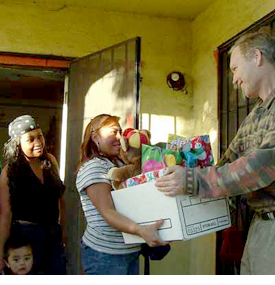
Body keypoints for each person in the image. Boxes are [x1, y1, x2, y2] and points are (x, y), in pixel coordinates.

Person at [156, 26, 275, 275]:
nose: (233, 80)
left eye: (234, 68)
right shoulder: (256, 114)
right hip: (259, 228)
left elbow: (263, 165)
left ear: (257, 57)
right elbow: (225, 164)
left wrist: (191, 180)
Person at [76, 114, 167, 275]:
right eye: (113, 132)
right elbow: (108, 211)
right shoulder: (93, 167)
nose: (120, 137)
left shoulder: (119, 164)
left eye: (120, 132)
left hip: (129, 252)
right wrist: (140, 230)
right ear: (95, 137)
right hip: (105, 256)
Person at [0, 115, 66, 275]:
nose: (38, 143)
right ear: (18, 144)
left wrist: (62, 232)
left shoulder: (50, 161)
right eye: (30, 139)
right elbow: (5, 214)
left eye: (40, 136)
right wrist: (0, 251)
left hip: (52, 235)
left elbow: (60, 200)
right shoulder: (10, 171)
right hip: (25, 239)